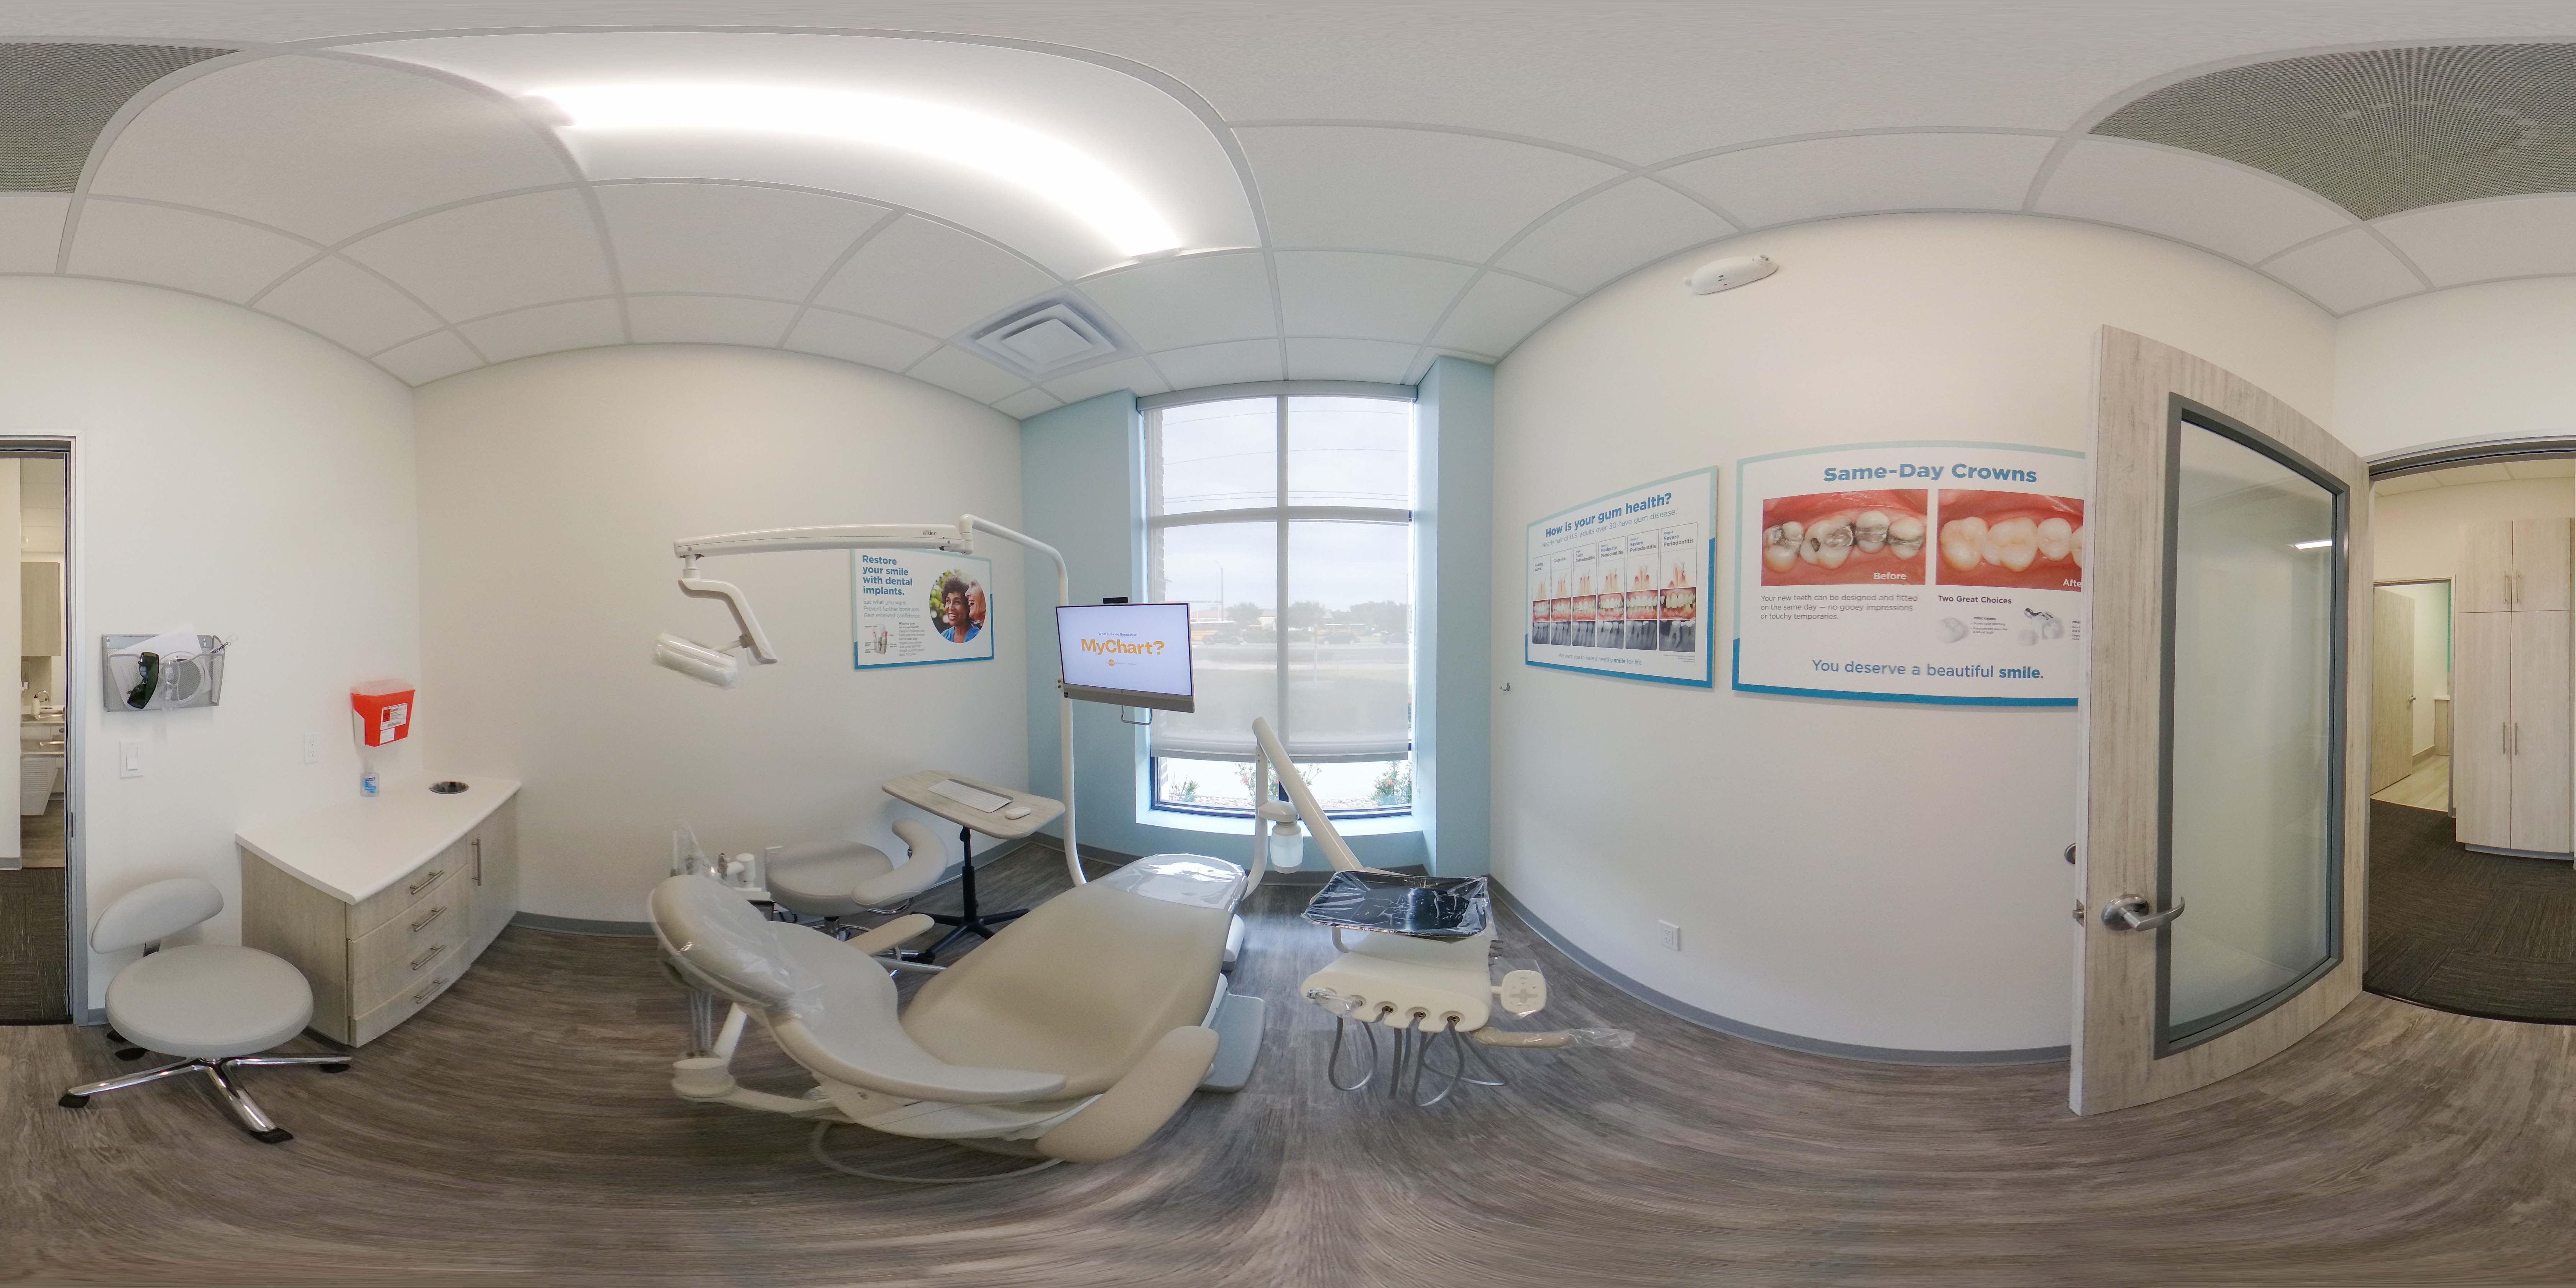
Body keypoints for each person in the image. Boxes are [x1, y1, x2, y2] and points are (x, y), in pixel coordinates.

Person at [939, 576, 984, 644]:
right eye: (948, 601)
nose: (951, 608)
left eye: (957, 602)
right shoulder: (945, 635)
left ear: (968, 606)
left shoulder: (977, 637)